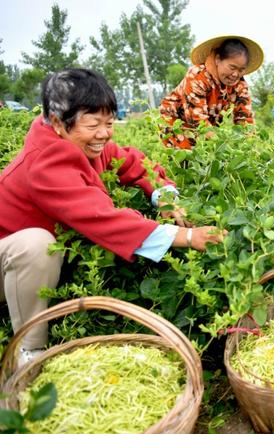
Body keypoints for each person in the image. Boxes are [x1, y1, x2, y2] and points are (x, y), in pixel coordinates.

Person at [0, 68, 227, 366]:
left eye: (108, 123)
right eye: (93, 124)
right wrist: (187, 236)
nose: (104, 133)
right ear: (57, 122)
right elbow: (102, 217)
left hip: (25, 268)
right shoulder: (44, 162)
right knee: (35, 244)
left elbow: (133, 162)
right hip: (8, 262)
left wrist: (164, 196)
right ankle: (28, 350)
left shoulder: (81, 143)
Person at [159, 35, 264, 149]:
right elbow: (197, 120)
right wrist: (223, 147)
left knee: (211, 156)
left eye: (241, 70)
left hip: (209, 124)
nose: (235, 74)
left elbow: (245, 119)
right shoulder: (197, 77)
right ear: (218, 59)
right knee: (186, 157)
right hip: (175, 120)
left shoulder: (240, 85)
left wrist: (249, 145)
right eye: (232, 68)